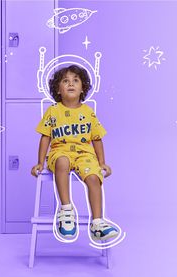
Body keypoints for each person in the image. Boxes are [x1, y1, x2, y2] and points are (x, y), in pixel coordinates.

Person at [31, 65, 118, 241]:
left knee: (94, 177)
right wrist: (40, 162)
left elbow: (97, 139)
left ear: (82, 88)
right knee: (62, 162)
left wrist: (101, 163)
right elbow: (45, 138)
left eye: (75, 80)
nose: (71, 84)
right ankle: (66, 211)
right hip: (59, 152)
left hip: (84, 155)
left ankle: (98, 223)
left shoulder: (88, 112)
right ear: (58, 89)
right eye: (65, 81)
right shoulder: (53, 111)